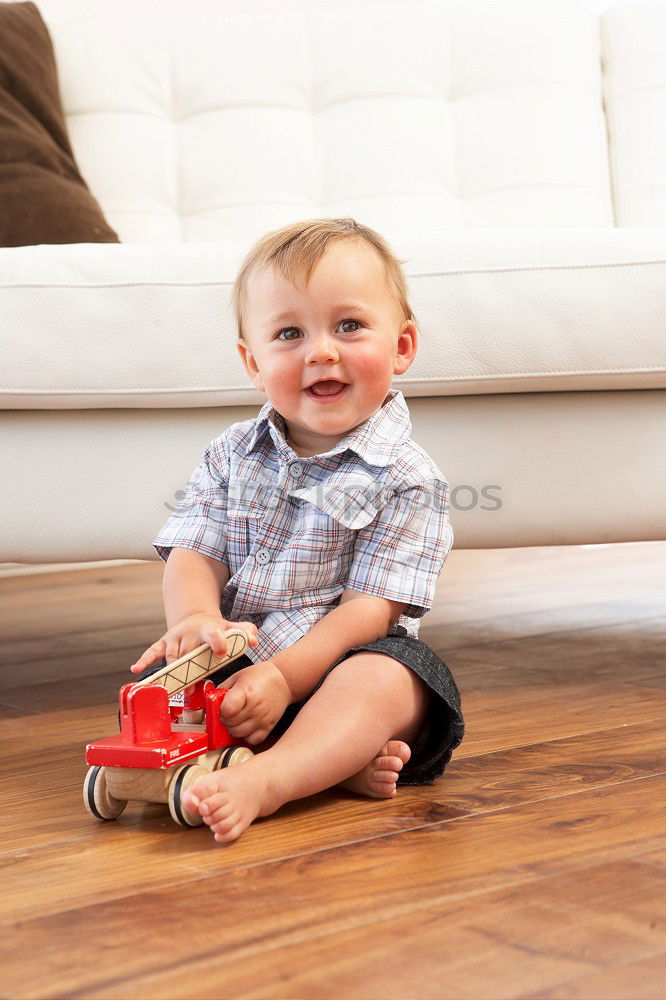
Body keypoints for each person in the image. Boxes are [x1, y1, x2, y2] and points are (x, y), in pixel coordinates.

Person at [129, 217, 464, 844]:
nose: (321, 351)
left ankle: (275, 778)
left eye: (349, 325)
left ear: (402, 347)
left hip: (339, 664)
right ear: (254, 364)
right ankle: (333, 766)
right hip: (245, 670)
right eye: (290, 333)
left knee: (393, 679)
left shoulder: (409, 479)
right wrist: (197, 620)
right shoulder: (233, 453)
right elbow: (193, 548)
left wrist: (286, 679)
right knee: (163, 685)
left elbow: (369, 611)